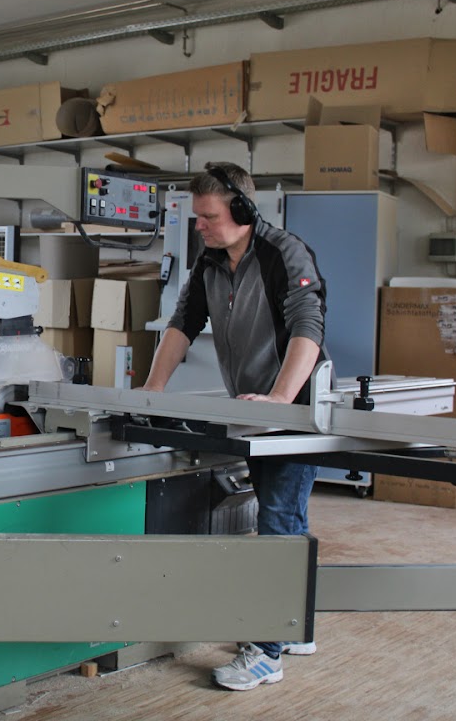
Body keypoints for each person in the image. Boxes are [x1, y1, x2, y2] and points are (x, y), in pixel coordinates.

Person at [140, 162, 329, 691]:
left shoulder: (284, 253)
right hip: (253, 411)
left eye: (208, 217)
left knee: (277, 522)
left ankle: (266, 652)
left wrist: (280, 401)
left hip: (293, 411)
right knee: (286, 517)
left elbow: (308, 327)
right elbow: (183, 323)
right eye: (197, 217)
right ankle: (294, 628)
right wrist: (151, 389)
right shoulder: (210, 261)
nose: (198, 225)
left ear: (242, 210)